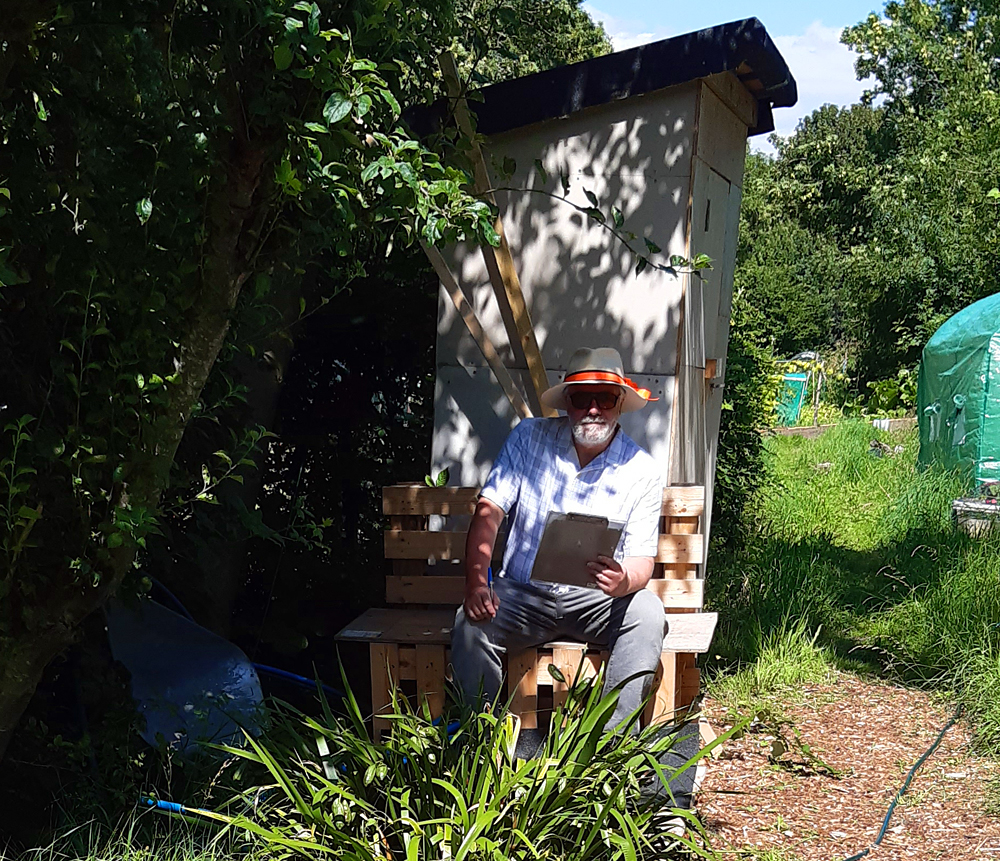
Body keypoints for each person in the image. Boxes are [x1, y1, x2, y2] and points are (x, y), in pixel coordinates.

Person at [450, 346, 667, 730]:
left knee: (647, 613)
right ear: (568, 402)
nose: (594, 408)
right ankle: (480, 743)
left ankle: (614, 746)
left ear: (620, 404)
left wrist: (623, 580)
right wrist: (476, 582)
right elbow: (489, 511)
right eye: (583, 397)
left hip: (596, 600)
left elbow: (642, 561)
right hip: (522, 593)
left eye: (606, 398)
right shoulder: (528, 438)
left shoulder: (643, 470)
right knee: (471, 623)